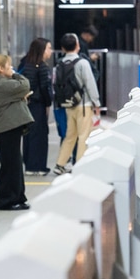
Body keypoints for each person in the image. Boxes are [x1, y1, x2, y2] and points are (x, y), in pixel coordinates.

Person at [0, 53, 35, 211]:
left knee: (14, 164)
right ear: (1, 69)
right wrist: (14, 74)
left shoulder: (1, 84)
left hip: (7, 128)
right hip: (5, 129)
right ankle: (6, 200)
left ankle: (17, 197)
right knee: (10, 165)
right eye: (9, 67)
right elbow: (25, 84)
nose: (11, 69)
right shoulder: (1, 84)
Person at [51, 32, 102, 175]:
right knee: (83, 135)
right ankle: (81, 165)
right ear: (78, 46)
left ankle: (60, 164)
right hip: (83, 105)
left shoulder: (59, 64)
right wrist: (96, 102)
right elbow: (90, 84)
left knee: (70, 136)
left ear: (62, 48)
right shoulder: (82, 63)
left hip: (68, 105)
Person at [19, 37, 54, 175]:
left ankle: (28, 165)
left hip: (27, 104)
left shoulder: (26, 65)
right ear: (42, 50)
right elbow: (45, 88)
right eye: (48, 48)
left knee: (28, 135)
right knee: (40, 136)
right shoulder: (43, 67)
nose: (50, 51)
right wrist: (48, 103)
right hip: (38, 105)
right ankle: (38, 166)